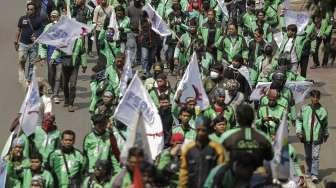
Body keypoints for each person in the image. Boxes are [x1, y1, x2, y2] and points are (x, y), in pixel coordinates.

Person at [206, 104, 273, 187]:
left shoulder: (227, 136)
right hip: (258, 179)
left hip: (233, 180)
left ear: (237, 118)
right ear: (252, 118)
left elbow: (222, 158)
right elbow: (270, 157)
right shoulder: (263, 137)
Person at [179, 116, 226, 188]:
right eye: (198, 130)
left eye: (203, 130)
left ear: (209, 131)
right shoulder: (188, 148)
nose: (200, 133)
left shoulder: (217, 148)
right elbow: (183, 172)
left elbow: (221, 172)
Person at [296, 90, 329, 184]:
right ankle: (309, 171)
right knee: (308, 156)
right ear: (310, 98)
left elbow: (325, 124)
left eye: (317, 98)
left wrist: (326, 133)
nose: (315, 99)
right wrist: (299, 132)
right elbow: (299, 121)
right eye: (314, 97)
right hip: (306, 137)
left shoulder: (323, 110)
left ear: (319, 98)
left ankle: (314, 174)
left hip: (317, 138)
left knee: (315, 156)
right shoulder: (304, 108)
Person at [15, 1, 44, 84]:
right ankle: (22, 76)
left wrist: (36, 35)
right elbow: (18, 30)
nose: (29, 11)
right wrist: (15, 41)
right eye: (28, 9)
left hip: (33, 45)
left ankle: (29, 79)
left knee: (32, 63)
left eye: (31, 9)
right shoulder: (22, 18)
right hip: (23, 44)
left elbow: (42, 30)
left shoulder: (39, 19)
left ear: (35, 10)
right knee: (21, 61)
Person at [38, 10, 62, 102]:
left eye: (56, 16)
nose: (54, 18)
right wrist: (42, 56)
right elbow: (43, 43)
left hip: (60, 56)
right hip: (49, 55)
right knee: (51, 75)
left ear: (59, 17)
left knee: (58, 77)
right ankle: (51, 89)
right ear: (50, 18)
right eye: (52, 16)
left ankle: (56, 95)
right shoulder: (47, 27)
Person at [166, 0, 187, 74]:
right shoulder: (170, 15)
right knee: (170, 56)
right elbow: (168, 27)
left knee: (181, 56)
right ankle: (171, 69)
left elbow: (188, 27)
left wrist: (181, 24)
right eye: (175, 11)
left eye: (178, 11)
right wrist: (171, 24)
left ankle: (180, 70)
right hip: (172, 39)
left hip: (181, 39)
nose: (176, 13)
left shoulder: (184, 16)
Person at [93, 0, 114, 65]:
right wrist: (93, 29)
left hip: (108, 30)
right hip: (99, 30)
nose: (103, 1)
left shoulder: (111, 8)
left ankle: (109, 61)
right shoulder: (97, 8)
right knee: (99, 46)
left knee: (108, 46)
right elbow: (94, 21)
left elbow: (113, 19)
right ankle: (101, 60)